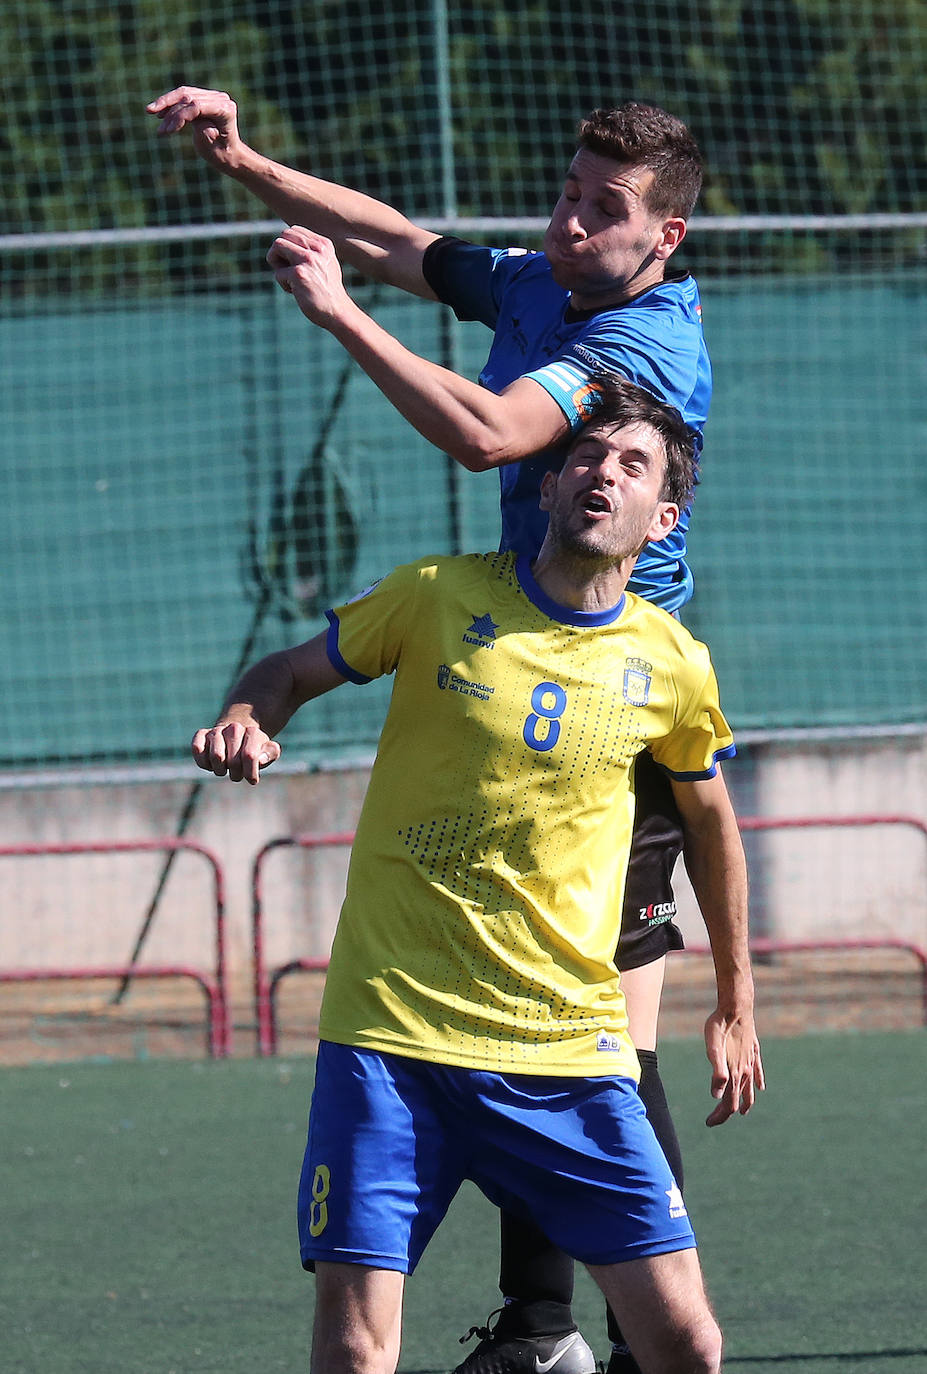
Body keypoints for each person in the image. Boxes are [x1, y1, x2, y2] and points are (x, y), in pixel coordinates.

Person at [150, 87, 713, 1374]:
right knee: (540, 1030)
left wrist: (340, 316)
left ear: (667, 235)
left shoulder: (647, 347)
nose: (570, 222)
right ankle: (542, 1332)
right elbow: (396, 235)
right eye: (568, 191)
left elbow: (486, 435)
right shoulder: (539, 280)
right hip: (508, 680)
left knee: (599, 1043)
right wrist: (244, 162)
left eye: (605, 209)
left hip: (613, 719)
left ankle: (589, 1340)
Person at [192, 378, 762, 1374]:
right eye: (587, 456)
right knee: (358, 1351)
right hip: (391, 1039)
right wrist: (251, 716)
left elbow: (713, 825)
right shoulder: (436, 596)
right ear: (548, 485)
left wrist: (735, 1001)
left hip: (567, 1051)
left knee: (687, 1344)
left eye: (633, 466)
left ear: (663, 519)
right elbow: (284, 669)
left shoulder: (672, 665)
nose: (602, 473)